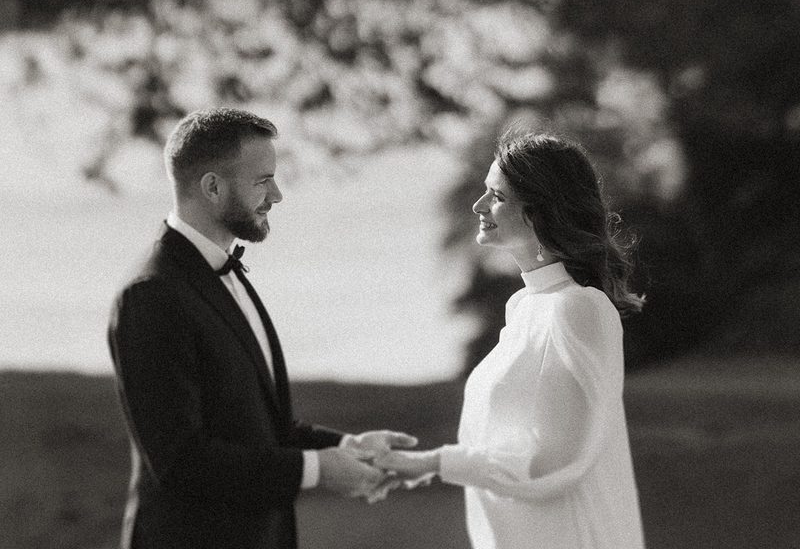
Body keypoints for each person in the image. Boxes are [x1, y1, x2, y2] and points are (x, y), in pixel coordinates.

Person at [108, 107, 414, 549]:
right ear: (213, 187)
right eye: (262, 181)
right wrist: (317, 470)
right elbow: (182, 463)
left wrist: (348, 447)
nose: (277, 195)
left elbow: (257, 427)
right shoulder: (152, 295)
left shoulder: (225, 276)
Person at [379, 129, 647, 549]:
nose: (479, 205)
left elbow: (554, 461)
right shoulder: (525, 306)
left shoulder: (580, 308)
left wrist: (433, 463)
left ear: (539, 212)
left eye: (497, 196)